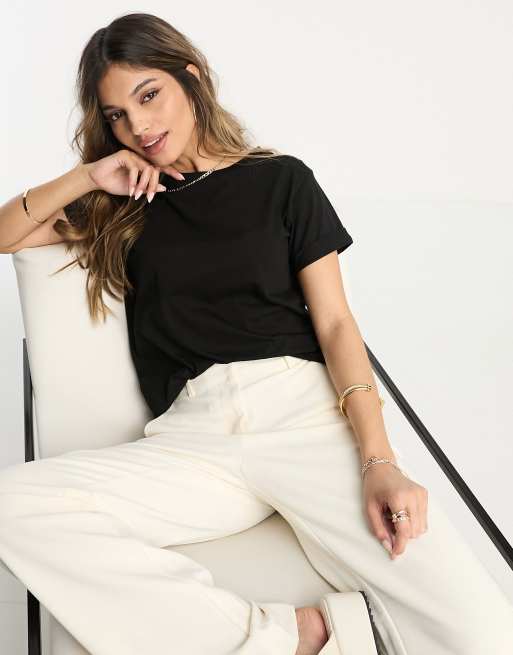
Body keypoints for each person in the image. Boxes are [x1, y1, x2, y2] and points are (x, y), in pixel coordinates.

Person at [0, 11, 512, 655]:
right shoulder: (127, 203)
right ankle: (286, 637)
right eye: (117, 116)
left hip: (303, 418)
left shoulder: (281, 180)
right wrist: (88, 176)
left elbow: (336, 324)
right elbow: (4, 235)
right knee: (10, 505)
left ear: (192, 78)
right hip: (194, 439)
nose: (138, 126)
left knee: (484, 632)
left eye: (149, 95)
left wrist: (379, 460)